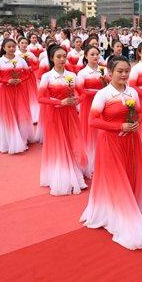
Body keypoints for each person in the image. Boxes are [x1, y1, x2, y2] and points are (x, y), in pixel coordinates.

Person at [80, 55, 142, 250]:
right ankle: (122, 215)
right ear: (109, 74)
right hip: (111, 143)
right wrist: (118, 126)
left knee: (132, 174)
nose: (124, 75)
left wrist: (135, 123)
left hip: (132, 141)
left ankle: (134, 205)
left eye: (126, 71)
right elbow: (93, 121)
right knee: (117, 179)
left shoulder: (133, 92)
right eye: (119, 71)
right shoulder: (103, 95)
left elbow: (140, 113)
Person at [38, 44, 88, 195]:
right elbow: (40, 98)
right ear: (52, 59)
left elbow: (83, 93)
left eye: (64, 57)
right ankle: (63, 175)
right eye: (58, 57)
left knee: (73, 140)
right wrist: (60, 102)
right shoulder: (47, 77)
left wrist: (76, 100)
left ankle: (75, 172)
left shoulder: (72, 76)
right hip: (54, 114)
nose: (61, 59)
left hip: (71, 114)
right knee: (59, 143)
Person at [0, 38, 35, 154]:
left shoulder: (20, 60)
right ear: (4, 48)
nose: (11, 49)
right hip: (6, 91)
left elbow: (28, 74)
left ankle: (22, 138)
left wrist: (20, 80)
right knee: (8, 114)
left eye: (13, 46)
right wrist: (5, 81)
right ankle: (9, 140)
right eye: (9, 47)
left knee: (20, 113)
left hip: (19, 90)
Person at [76, 45, 107, 176]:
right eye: (92, 54)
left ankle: (103, 162)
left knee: (102, 133)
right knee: (89, 134)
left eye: (97, 54)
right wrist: (95, 94)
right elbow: (79, 91)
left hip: (103, 106)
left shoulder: (104, 71)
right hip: (88, 106)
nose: (95, 57)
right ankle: (90, 165)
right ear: (86, 56)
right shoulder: (82, 73)